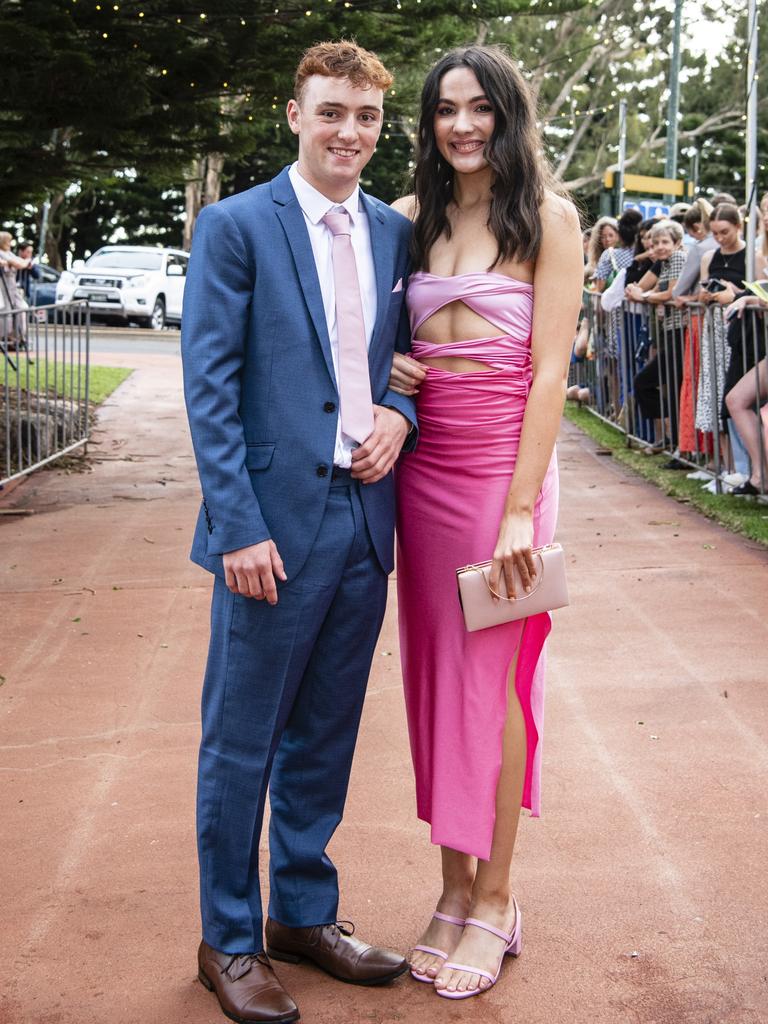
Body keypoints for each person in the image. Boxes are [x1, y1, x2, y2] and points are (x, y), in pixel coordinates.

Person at [181, 41, 417, 1024]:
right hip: (268, 530)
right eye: (331, 112)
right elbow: (209, 385)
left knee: (325, 734)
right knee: (242, 743)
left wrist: (401, 418)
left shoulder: (396, 234)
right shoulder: (236, 226)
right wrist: (236, 524)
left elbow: (405, 359)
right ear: (293, 115)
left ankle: (303, 916)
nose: (348, 133)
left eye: (364, 117)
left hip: (364, 521)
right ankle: (228, 937)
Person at [388, 45, 582, 1000]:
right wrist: (391, 373)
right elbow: (371, 340)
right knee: (433, 681)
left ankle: (498, 897)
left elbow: (551, 373)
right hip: (422, 478)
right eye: (444, 111)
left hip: (504, 479)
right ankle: (451, 885)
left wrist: (517, 510)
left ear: (509, 114)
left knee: (495, 683)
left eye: (480, 109)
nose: (461, 125)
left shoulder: (550, 219)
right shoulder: (410, 219)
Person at [625, 219, 687, 452]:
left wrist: (645, 297)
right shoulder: (665, 262)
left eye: (665, 242)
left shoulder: (679, 258)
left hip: (680, 330)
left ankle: (679, 442)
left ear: (677, 243)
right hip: (668, 330)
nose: (660, 247)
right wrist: (644, 294)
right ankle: (674, 439)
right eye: (656, 242)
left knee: (659, 384)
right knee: (656, 384)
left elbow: (672, 293)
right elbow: (640, 289)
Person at [0, 231, 31, 349]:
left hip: (12, 286)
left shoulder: (9, 253)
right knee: (6, 311)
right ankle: (5, 337)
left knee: (22, 307)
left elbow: (20, 263)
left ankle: (18, 337)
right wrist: (11, 262)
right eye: (8, 241)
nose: (10, 243)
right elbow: (17, 263)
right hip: (3, 285)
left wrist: (24, 262)